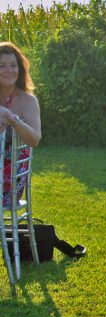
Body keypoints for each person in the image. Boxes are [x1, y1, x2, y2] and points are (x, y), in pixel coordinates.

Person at [0, 42, 41, 207]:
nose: (9, 71)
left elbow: (34, 140)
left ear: (20, 69)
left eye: (13, 65)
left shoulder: (28, 101)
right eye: (2, 66)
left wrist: (12, 118)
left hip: (9, 184)